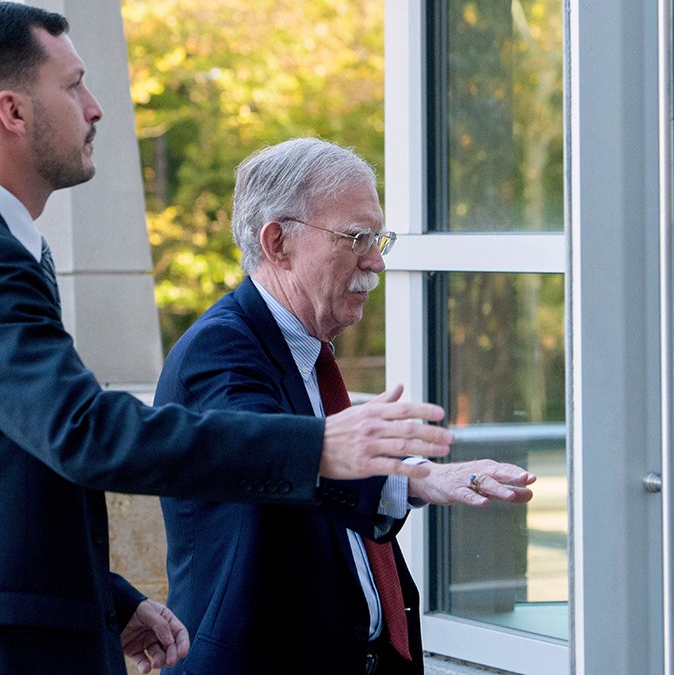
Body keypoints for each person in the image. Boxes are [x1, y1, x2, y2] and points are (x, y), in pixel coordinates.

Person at [0, 5, 454, 675]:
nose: (95, 108)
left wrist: (111, 597)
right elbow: (83, 432)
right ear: (11, 110)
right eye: (72, 86)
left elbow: (3, 466)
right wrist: (318, 445)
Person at [156, 138, 537, 675]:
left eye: (378, 237)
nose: (377, 262)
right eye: (355, 238)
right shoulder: (220, 350)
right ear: (277, 243)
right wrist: (420, 479)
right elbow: (275, 456)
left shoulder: (310, 355)